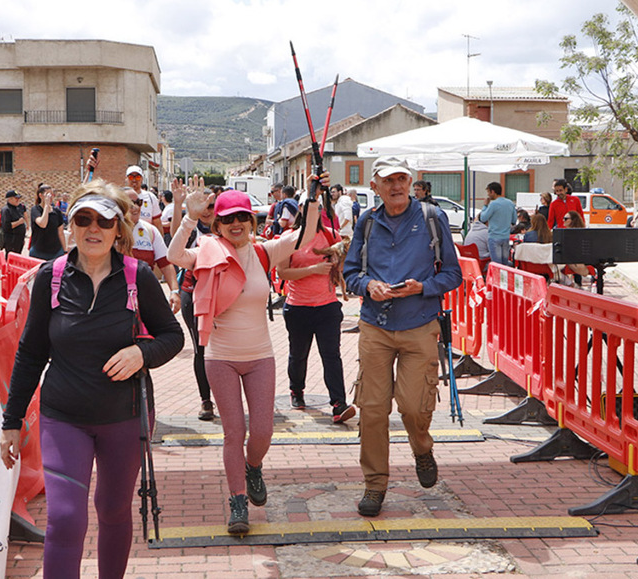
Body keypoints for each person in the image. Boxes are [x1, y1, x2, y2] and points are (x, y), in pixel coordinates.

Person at [0, 180, 183, 579]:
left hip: (125, 417)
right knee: (65, 517)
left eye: (104, 220)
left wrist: (141, 353)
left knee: (114, 510)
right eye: (84, 219)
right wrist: (11, 422)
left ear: (119, 228)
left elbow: (173, 337)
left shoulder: (138, 278)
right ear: (71, 227)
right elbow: (30, 355)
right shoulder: (52, 277)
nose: (94, 228)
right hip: (64, 416)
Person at [168, 176, 323, 535]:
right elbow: (175, 255)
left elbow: (305, 235)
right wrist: (189, 217)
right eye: (227, 219)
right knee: (232, 432)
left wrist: (312, 196)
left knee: (263, 433)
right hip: (219, 356)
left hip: (260, 356)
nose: (235, 224)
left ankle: (253, 466)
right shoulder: (206, 249)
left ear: (252, 222)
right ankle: (238, 501)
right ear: (218, 224)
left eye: (243, 217)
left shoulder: (264, 251)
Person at [342, 156, 462, 518]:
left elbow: (453, 276)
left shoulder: (431, 218)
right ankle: (375, 485)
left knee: (413, 406)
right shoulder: (366, 222)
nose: (396, 186)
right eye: (388, 180)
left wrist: (422, 287)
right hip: (375, 326)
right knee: (373, 410)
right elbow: (349, 274)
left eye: (401, 179)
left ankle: (422, 448)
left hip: (420, 323)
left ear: (411, 183)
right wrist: (369, 285)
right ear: (374, 185)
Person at [277, 210, 355, 424]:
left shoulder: (331, 236)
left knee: (331, 356)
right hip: (298, 307)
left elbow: (343, 265)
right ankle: (296, 390)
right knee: (298, 354)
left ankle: (339, 404)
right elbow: (282, 272)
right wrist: (314, 269)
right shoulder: (288, 239)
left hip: (327, 306)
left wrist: (339, 260)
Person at [175, 189, 218, 421]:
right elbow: (174, 246)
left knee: (222, 350)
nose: (206, 210)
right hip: (192, 296)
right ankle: (206, 400)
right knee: (201, 350)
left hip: (221, 299)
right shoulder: (190, 227)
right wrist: (180, 206)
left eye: (211, 206)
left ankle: (226, 397)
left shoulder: (226, 228)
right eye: (203, 206)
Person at [123, 187, 181, 314]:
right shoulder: (109, 230)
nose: (136, 207)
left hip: (146, 298)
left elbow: (166, 264)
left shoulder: (151, 231)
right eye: (130, 203)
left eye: (138, 202)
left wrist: (174, 291)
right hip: (117, 299)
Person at [478, 182, 517, 267]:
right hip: (506, 237)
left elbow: (483, 218)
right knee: (505, 264)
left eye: (488, 192)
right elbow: (514, 220)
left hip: (494, 237)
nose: (488, 195)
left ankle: (497, 280)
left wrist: (485, 206)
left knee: (497, 265)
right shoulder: (510, 203)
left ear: (493, 192)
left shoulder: (493, 204)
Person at [29, 183, 67, 261]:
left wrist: (65, 250)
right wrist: (46, 206)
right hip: (38, 251)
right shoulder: (35, 210)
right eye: (47, 194)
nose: (50, 197)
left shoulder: (56, 211)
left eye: (51, 194)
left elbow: (60, 232)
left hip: (56, 251)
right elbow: (42, 224)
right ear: (40, 195)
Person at [125, 165, 163, 234]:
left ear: (142, 179)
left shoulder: (151, 197)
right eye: (130, 177)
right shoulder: (121, 197)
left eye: (138, 177)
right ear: (126, 179)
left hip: (146, 240)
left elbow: (158, 223)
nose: (134, 180)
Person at [0, 190, 28, 257]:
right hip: (11, 241)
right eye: (16, 198)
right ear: (9, 199)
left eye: (18, 198)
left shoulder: (18, 208)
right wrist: (18, 222)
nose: (18, 200)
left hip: (19, 240)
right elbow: (6, 226)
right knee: (10, 258)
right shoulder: (6, 210)